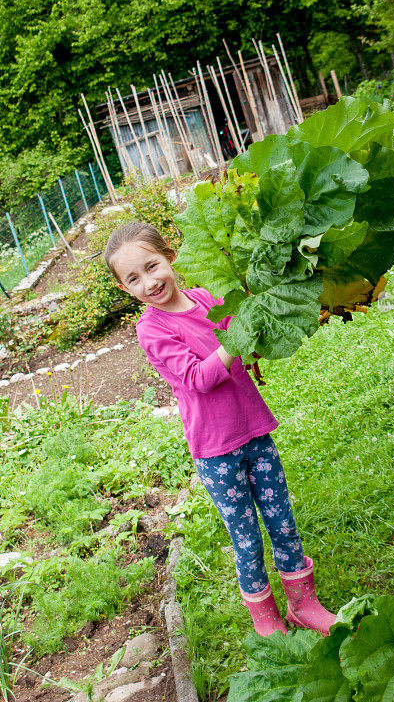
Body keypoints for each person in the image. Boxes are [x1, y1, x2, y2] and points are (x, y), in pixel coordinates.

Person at [103, 220, 337, 637]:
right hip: (216, 451)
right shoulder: (152, 330)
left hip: (254, 431)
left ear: (170, 257)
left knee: (282, 521)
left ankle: (305, 605)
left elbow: (243, 339)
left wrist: (261, 322)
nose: (149, 282)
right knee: (245, 537)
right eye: (133, 279)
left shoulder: (208, 300)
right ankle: (266, 620)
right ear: (125, 289)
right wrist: (235, 340)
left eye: (152, 266)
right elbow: (197, 378)